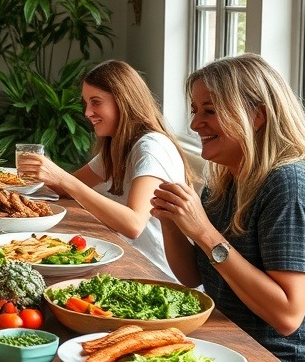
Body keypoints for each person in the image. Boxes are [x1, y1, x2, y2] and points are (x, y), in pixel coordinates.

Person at [151, 53, 305, 362]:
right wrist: (172, 222)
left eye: (210, 111)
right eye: (195, 111)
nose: (195, 124)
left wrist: (204, 231)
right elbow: (192, 276)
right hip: (228, 350)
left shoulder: (290, 184)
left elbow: (287, 315)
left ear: (257, 116)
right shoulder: (226, 180)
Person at [19, 60, 191, 280]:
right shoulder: (119, 144)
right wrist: (44, 171)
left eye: (96, 102)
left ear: (123, 101)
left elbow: (133, 224)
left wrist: (62, 178)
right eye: (86, 103)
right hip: (127, 256)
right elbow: (66, 189)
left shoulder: (151, 147)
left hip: (155, 272)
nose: (88, 112)